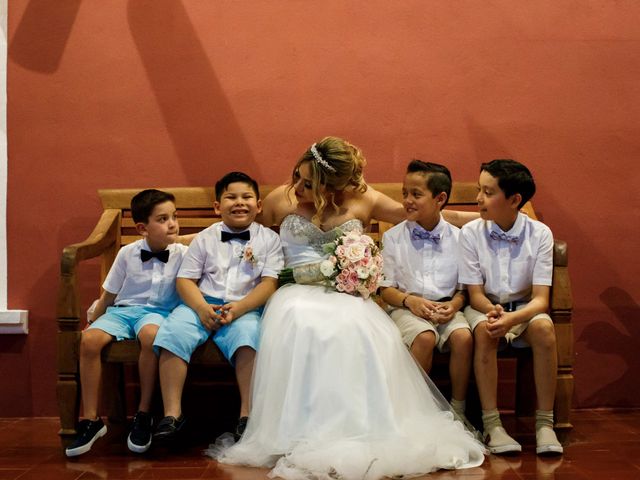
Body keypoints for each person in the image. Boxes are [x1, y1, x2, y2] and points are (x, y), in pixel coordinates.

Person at [208, 137, 485, 479]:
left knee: (358, 327)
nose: (298, 187)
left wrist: (487, 218)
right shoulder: (282, 198)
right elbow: (241, 233)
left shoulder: (364, 198)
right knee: (301, 322)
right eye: (298, 176)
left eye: (309, 184)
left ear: (333, 187)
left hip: (347, 292)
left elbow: (417, 212)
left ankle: (361, 426)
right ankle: (297, 429)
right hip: (294, 291)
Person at [152, 172, 283, 443]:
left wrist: (241, 308)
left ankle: (247, 414)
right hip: (201, 303)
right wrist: (200, 308)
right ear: (217, 206)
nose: (239, 203)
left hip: (245, 307)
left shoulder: (269, 239)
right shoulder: (205, 238)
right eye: (231, 197)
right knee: (173, 333)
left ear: (259, 206)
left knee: (249, 339)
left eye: (247, 197)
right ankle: (172, 413)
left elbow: (269, 283)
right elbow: (185, 279)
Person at [65, 189, 187, 457]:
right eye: (163, 219)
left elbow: (206, 240)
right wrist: (95, 322)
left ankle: (143, 414)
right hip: (122, 311)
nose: (172, 224)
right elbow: (108, 294)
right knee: (89, 340)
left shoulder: (182, 252)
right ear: (142, 228)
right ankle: (92, 420)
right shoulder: (127, 253)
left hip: (157, 312)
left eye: (174, 217)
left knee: (151, 336)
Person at [458, 159, 563, 455]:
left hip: (525, 309)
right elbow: (474, 293)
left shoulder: (540, 234)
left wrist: (515, 317)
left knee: (544, 328)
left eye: (488, 192)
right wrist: (494, 313)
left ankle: (545, 423)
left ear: (514, 199)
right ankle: (493, 425)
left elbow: (541, 299)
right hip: (484, 306)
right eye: (480, 189)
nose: (479, 198)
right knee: (485, 330)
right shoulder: (471, 233)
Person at [380, 159, 474, 429]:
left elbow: (463, 289)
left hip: (447, 307)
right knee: (424, 336)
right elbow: (385, 289)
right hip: (405, 307)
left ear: (440, 198)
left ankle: (458, 410)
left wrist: (455, 305)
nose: (407, 200)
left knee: (463, 336)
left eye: (416, 194)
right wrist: (411, 301)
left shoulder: (460, 239)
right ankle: (413, 410)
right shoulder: (394, 238)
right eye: (405, 193)